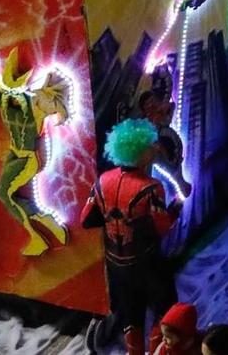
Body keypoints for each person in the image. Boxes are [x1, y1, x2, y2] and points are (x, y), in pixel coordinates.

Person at [85, 118, 183, 355]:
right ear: (139, 152)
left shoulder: (102, 180)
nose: (156, 149)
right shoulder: (151, 187)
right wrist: (175, 210)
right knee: (164, 309)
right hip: (146, 261)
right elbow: (163, 227)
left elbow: (86, 220)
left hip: (115, 263)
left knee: (132, 314)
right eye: (151, 145)